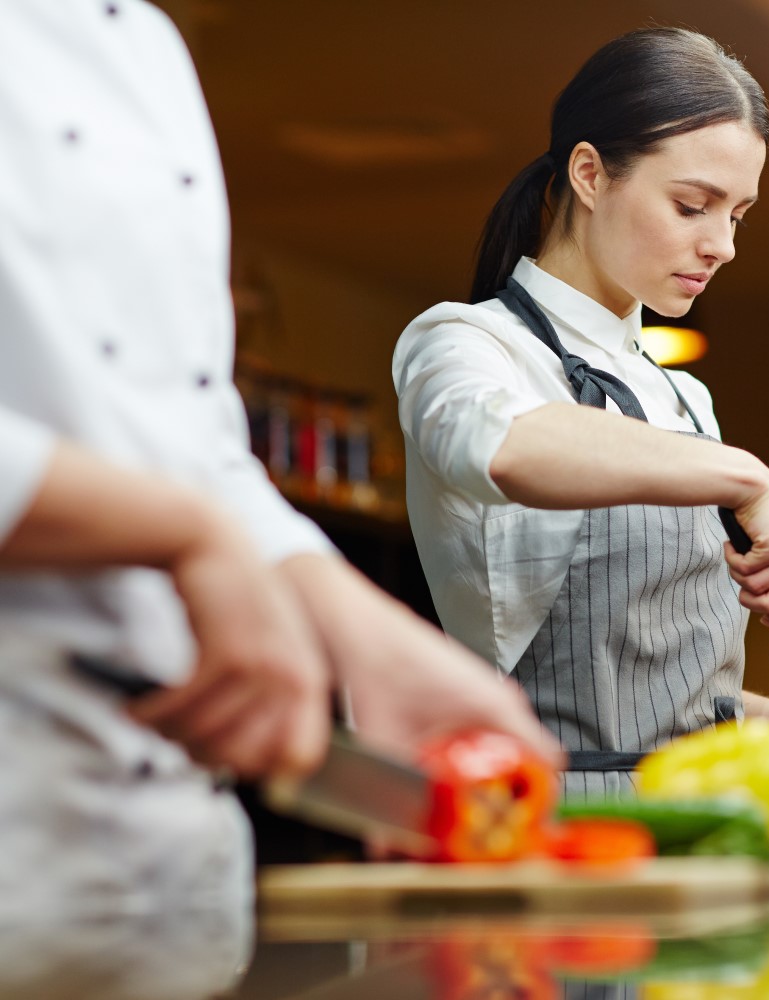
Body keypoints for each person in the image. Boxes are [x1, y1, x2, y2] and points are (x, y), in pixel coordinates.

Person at [0, 0, 558, 920]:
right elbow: (187, 510)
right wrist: (184, 537)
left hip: (160, 870)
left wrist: (364, 634)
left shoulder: (145, 45)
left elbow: (189, 439)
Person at [393, 26, 769, 798]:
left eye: (736, 214)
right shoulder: (464, 344)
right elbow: (508, 446)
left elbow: (672, 704)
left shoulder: (680, 396)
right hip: (562, 827)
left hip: (714, 818)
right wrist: (750, 479)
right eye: (692, 205)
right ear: (591, 173)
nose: (722, 245)